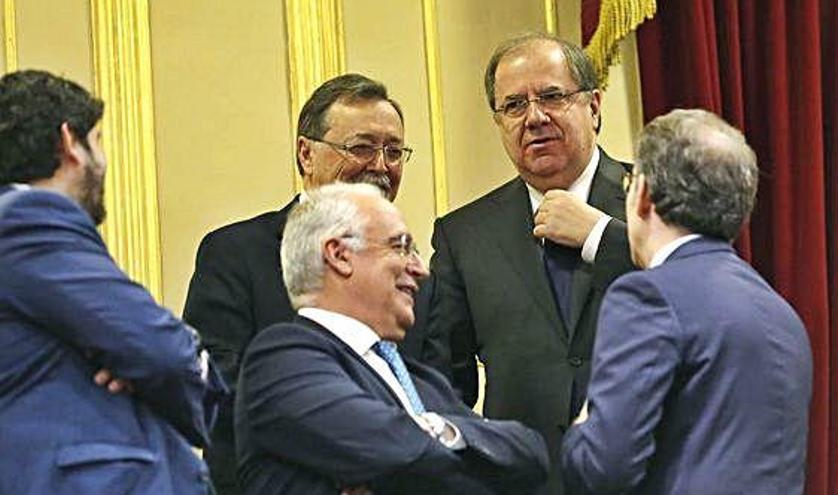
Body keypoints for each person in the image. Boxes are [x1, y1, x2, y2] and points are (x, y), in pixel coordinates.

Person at [182, 73, 426, 494]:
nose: (381, 165)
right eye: (362, 147)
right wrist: (350, 456)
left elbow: (439, 394)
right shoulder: (235, 254)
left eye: (393, 151)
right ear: (306, 154)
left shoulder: (416, 276)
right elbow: (219, 389)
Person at [235, 183, 549, 494]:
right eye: (400, 247)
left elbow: (530, 454)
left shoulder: (420, 379)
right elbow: (393, 447)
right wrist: (462, 447)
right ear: (340, 255)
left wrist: (433, 429)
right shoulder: (282, 360)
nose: (420, 269)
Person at [422, 33, 634, 493]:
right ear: (499, 122)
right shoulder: (464, 235)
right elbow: (446, 383)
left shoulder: (655, 201)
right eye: (514, 105)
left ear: (594, 106)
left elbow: (699, 298)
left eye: (552, 97)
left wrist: (601, 237)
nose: (534, 117)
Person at [561, 109, 813, 494]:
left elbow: (601, 468)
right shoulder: (783, 315)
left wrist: (583, 424)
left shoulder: (648, 295)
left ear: (642, 193)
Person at [0, 70, 226, 494]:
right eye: (97, 141)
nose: (103, 160)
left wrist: (127, 359)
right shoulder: (30, 220)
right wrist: (166, 367)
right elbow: (162, 351)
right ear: (70, 143)